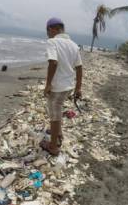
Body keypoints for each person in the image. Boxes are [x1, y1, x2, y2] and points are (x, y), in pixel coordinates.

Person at [40, 17, 83, 156]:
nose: (47, 34)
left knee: (54, 113)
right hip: (68, 86)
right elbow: (79, 67)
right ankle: (58, 134)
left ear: (53, 29)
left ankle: (53, 146)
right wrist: (78, 88)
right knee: (58, 110)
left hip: (57, 86)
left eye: (47, 30)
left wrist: (47, 85)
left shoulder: (52, 42)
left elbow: (53, 62)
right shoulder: (73, 45)